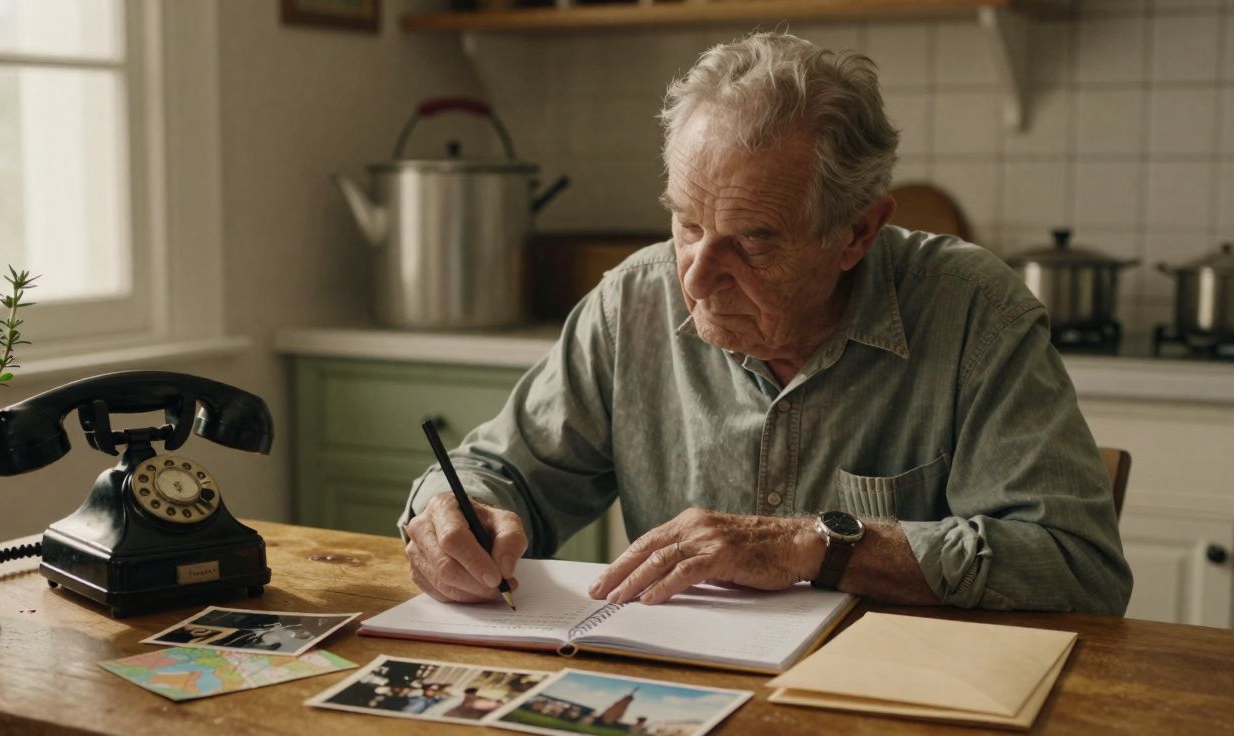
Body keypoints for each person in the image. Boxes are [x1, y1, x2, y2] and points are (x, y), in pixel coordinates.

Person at [399, 32, 1132, 615]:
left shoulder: (974, 313)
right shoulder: (634, 304)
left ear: (857, 233)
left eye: (752, 239)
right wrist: (453, 512)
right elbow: (494, 471)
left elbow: (1077, 566)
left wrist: (818, 545)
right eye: (687, 224)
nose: (694, 275)